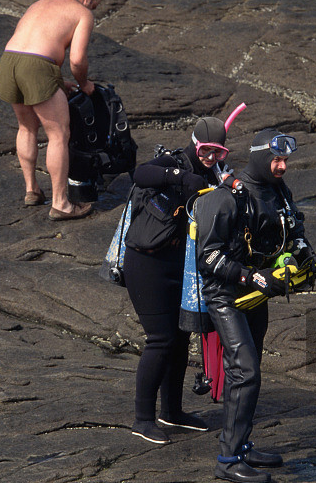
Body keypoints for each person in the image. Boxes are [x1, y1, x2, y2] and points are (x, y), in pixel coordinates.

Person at [194, 128, 316, 483]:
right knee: (246, 371)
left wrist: (315, 265)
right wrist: (253, 277)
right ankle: (227, 461)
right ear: (260, 158)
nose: (282, 167)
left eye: (286, 161)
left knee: (245, 371)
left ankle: (240, 445)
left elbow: (295, 234)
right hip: (225, 295)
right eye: (276, 160)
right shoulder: (226, 199)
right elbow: (208, 258)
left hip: (256, 295)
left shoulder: (279, 193)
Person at [123, 117, 233, 445]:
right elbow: (142, 173)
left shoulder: (217, 171)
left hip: (181, 267)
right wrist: (181, 176)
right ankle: (142, 419)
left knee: (181, 337)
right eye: (206, 150)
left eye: (218, 152)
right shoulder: (173, 161)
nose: (211, 157)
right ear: (195, 143)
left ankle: (172, 412)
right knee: (160, 339)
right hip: (146, 263)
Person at [0, 0, 102, 221]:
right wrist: (84, 84)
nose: (92, 10)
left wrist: (57, 80)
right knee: (59, 135)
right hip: (37, 66)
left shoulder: (40, 3)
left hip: (10, 60)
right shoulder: (82, 12)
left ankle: (32, 190)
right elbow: (76, 60)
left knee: (27, 127)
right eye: (94, 5)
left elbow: (31, 47)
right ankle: (61, 204)